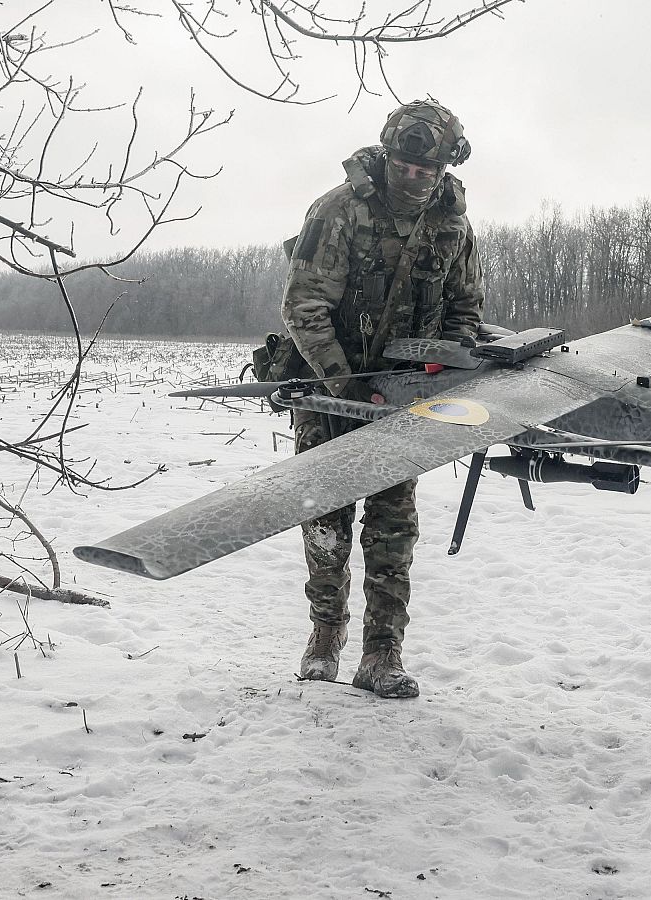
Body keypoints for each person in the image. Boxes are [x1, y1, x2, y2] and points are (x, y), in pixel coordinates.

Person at [280, 98, 484, 699]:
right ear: (389, 155)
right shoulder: (340, 210)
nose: (415, 177)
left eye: (428, 170)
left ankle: (382, 653)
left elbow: (465, 309)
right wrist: (346, 386)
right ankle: (324, 636)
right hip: (330, 391)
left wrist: (438, 369)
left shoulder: (453, 225)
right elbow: (304, 307)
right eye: (404, 165)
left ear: (446, 167)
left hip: (402, 398)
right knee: (326, 517)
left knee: (393, 524)